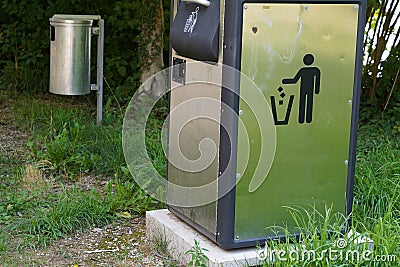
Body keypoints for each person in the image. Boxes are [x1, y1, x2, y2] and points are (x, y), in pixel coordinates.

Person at [282, 54, 321, 124]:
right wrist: (316, 90)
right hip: (308, 90)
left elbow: (294, 80)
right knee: (308, 103)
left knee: (304, 103)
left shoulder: (304, 70)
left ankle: (302, 119)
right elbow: (295, 80)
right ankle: (306, 119)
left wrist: (286, 81)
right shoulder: (314, 70)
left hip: (304, 90)